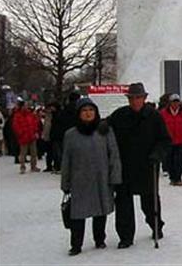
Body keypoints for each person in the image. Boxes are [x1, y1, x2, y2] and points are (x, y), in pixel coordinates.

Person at [107, 83, 171, 249]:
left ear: (144, 98)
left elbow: (164, 140)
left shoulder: (154, 116)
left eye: (138, 98)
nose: (135, 101)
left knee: (149, 201)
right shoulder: (120, 115)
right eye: (132, 98)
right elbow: (106, 125)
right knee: (123, 202)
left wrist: (158, 153)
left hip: (147, 165)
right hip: (125, 166)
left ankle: (156, 225)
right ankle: (126, 236)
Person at [61, 98, 122, 256]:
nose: (88, 114)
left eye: (91, 110)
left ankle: (99, 239)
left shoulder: (105, 131)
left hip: (101, 178)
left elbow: (113, 154)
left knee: (100, 211)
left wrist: (114, 177)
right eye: (84, 111)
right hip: (79, 180)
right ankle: (76, 244)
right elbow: (66, 160)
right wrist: (65, 182)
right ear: (79, 114)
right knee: (77, 215)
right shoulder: (70, 134)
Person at [159, 94, 182, 186]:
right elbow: (160, 127)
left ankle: (178, 178)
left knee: (179, 161)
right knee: (169, 161)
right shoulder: (163, 113)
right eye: (174, 102)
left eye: (177, 102)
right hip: (168, 141)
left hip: (180, 141)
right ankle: (172, 178)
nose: (175, 104)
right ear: (170, 103)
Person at [11, 98, 40, 174]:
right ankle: (22, 167)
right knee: (23, 153)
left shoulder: (30, 114)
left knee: (34, 152)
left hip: (31, 135)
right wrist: (21, 133)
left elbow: (35, 123)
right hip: (24, 136)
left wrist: (35, 131)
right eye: (25, 105)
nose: (26, 107)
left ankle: (33, 166)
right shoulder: (17, 115)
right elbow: (15, 126)